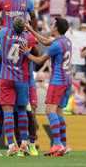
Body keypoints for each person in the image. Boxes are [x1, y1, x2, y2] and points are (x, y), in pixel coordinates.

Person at [20, 17, 72, 156]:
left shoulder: (57, 44)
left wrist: (26, 53)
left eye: (53, 24)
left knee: (50, 110)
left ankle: (56, 144)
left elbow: (39, 60)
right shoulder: (66, 41)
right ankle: (65, 145)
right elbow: (44, 41)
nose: (51, 25)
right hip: (67, 79)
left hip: (58, 80)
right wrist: (31, 30)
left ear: (55, 28)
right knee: (59, 112)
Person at [0, 17, 37, 156]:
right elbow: (36, 53)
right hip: (21, 78)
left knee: (7, 113)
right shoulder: (29, 38)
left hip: (6, 77)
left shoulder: (5, 32)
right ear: (25, 26)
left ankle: (12, 146)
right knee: (22, 111)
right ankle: (24, 144)